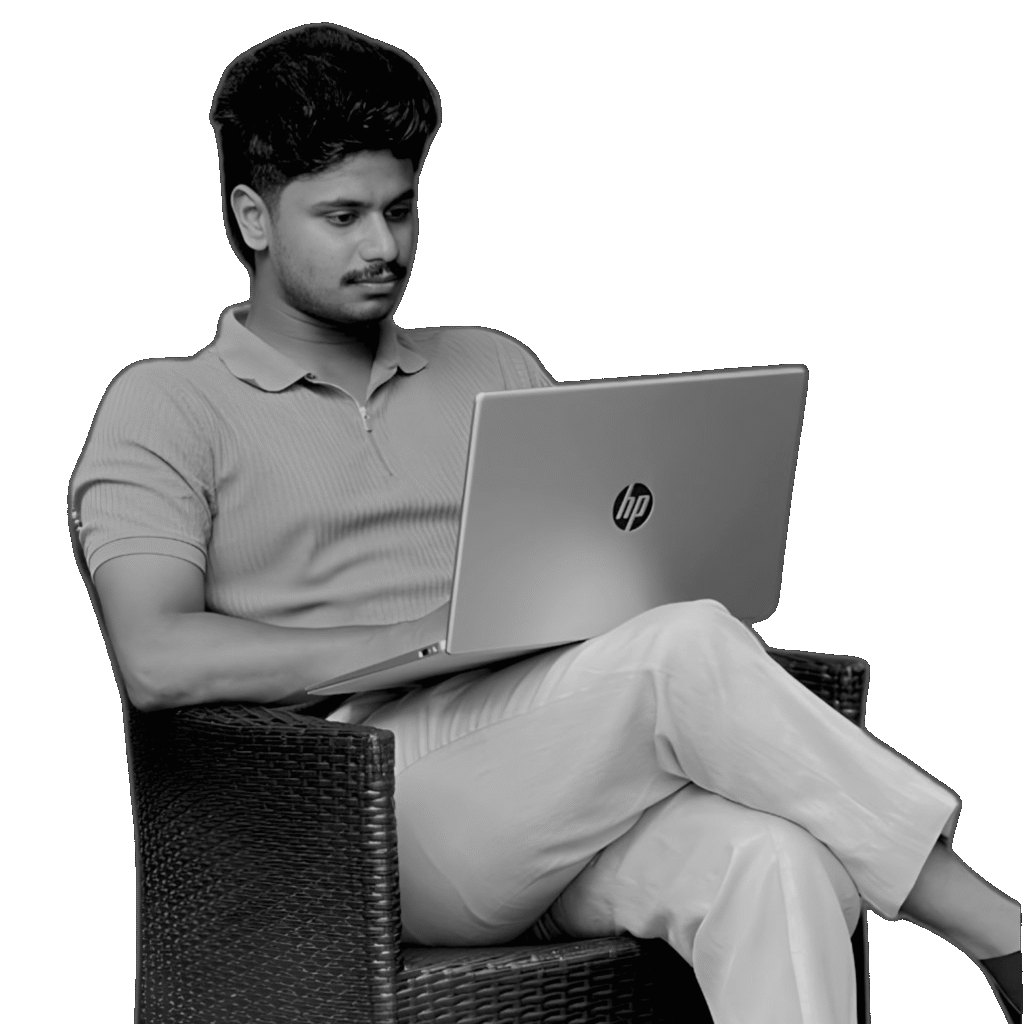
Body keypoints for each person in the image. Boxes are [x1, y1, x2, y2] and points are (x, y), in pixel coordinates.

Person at [69, 23, 1021, 1024]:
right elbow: (157, 657)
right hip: (356, 817)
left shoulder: (491, 365)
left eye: (400, 209)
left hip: (551, 783)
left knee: (772, 862)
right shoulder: (165, 405)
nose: (384, 247)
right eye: (342, 216)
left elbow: (591, 567)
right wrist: (415, 638)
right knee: (683, 647)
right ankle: (998, 931)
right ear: (253, 217)